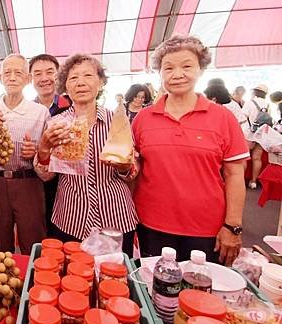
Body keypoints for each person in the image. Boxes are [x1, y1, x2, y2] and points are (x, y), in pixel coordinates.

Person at [132, 35, 248, 265]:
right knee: (155, 290)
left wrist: (232, 226)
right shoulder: (143, 119)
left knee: (200, 294)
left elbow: (235, 174)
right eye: (168, 68)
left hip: (206, 229)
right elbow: (135, 169)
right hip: (151, 224)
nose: (177, 74)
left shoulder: (222, 118)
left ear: (200, 70)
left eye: (187, 66)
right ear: (160, 73)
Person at [34, 54, 138, 257]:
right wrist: (44, 148)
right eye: (73, 78)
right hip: (71, 218)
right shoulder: (56, 123)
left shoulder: (116, 121)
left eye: (88, 76)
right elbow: (45, 175)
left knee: (112, 281)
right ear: (65, 85)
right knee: (74, 280)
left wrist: (123, 166)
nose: (80, 83)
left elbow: (133, 171)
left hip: (114, 218)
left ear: (100, 82)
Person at [0, 54, 50, 255]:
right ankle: (1, 281)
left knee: (33, 240)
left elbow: (49, 154)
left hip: (28, 182)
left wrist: (36, 153)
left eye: (18, 73)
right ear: (0, 77)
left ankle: (34, 282)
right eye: (7, 73)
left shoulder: (40, 113)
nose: (12, 77)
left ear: (28, 79)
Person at [29, 53, 71, 237]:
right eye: (37, 73)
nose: (44, 78)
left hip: (65, 185)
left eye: (50, 72)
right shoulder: (26, 110)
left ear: (59, 74)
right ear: (30, 78)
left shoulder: (72, 107)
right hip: (33, 184)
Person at [242, 84, 272, 190]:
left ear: (254, 92)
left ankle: (241, 181)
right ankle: (253, 181)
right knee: (257, 158)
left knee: (244, 158)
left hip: (248, 134)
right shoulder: (267, 104)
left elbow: (243, 116)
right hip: (261, 134)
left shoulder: (250, 102)